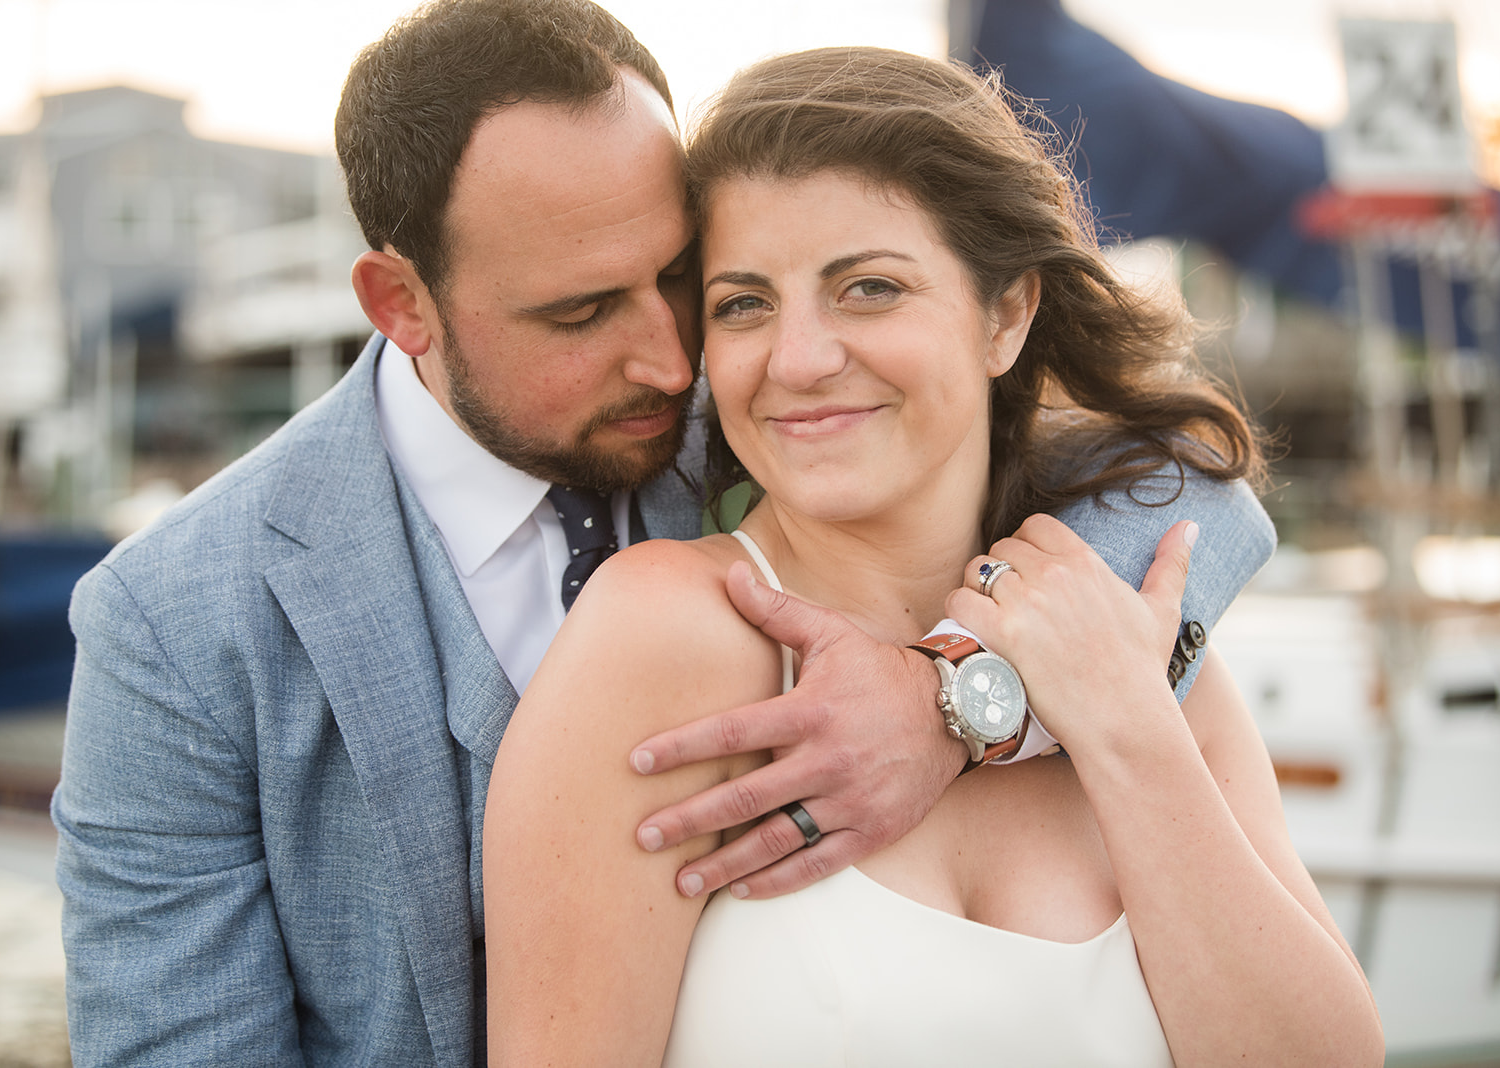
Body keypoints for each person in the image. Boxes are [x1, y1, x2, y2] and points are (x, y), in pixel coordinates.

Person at [52, 3, 1272, 1065]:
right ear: (402, 305)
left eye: (684, 279)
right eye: (582, 311)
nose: (672, 355)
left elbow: (1193, 494)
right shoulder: (174, 625)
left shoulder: (783, 411)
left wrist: (956, 694)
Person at [483, 46, 1383, 1066]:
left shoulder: (1128, 638)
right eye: (744, 304)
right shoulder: (664, 642)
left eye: (868, 288)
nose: (801, 360)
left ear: (1005, 314)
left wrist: (1122, 720)